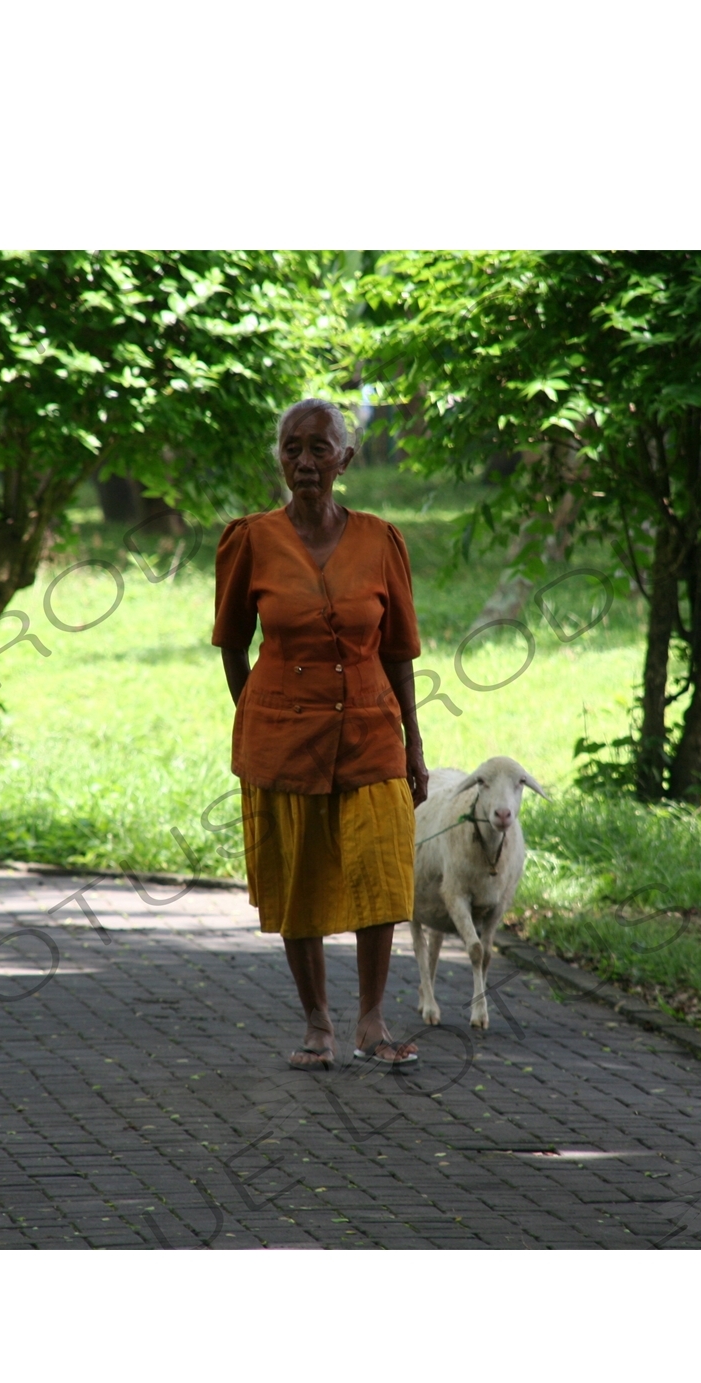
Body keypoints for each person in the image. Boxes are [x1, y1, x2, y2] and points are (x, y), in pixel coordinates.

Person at [213, 398, 430, 1070]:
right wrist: (259, 713)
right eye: (291, 448)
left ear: (346, 458)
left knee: (379, 874)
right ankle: (318, 1025)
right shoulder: (249, 539)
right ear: (279, 457)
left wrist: (414, 744)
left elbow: (398, 650)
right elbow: (231, 644)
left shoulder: (380, 540)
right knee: (298, 879)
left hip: (372, 733)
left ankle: (370, 1021)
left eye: (318, 448)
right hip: (285, 739)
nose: (304, 462)